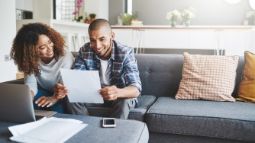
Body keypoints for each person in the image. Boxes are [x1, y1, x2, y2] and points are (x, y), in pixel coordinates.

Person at [56, 19, 141, 119]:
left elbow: (136, 89)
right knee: (70, 98)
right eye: (92, 40)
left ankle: (112, 134)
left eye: (102, 39)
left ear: (112, 36)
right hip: (95, 96)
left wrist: (117, 92)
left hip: (119, 96)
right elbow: (77, 77)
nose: (97, 46)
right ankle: (87, 129)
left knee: (125, 101)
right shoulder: (85, 50)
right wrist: (65, 88)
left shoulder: (125, 52)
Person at [10, 23, 74, 113]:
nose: (50, 48)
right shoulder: (30, 59)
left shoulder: (65, 56)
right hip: (41, 91)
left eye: (50, 42)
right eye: (42, 47)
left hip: (61, 94)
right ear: (30, 50)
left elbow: (64, 87)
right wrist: (28, 97)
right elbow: (31, 84)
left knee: (57, 112)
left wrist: (53, 98)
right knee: (27, 109)